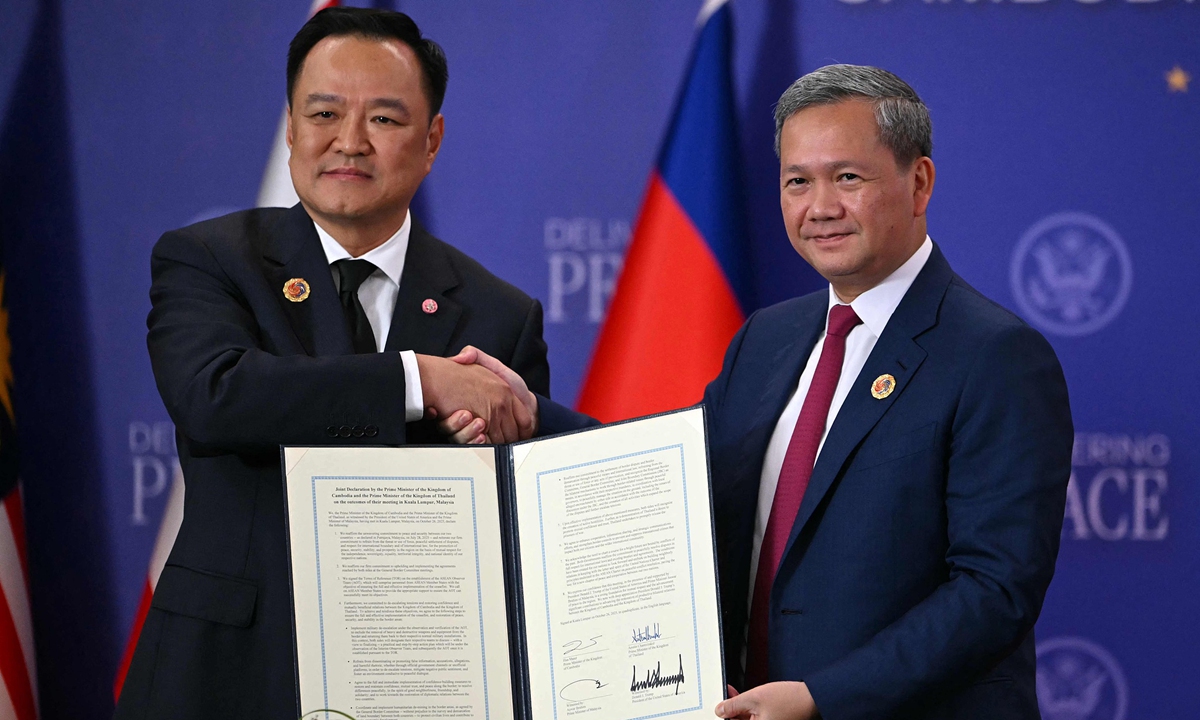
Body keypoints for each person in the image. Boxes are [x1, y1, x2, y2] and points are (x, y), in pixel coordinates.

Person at [447, 65, 1073, 719]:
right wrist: (530, 415)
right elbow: (669, 481)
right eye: (797, 181)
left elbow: (993, 590)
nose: (819, 206)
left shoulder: (995, 355)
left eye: (847, 178)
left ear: (919, 183)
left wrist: (820, 698)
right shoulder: (769, 338)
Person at [115, 8, 547, 719]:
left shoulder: (502, 313)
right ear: (290, 125)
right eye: (323, 112)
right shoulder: (209, 259)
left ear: (432, 139)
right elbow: (216, 395)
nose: (348, 142)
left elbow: (514, 516)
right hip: (224, 677)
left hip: (419, 681)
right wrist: (420, 379)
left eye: (384, 119)